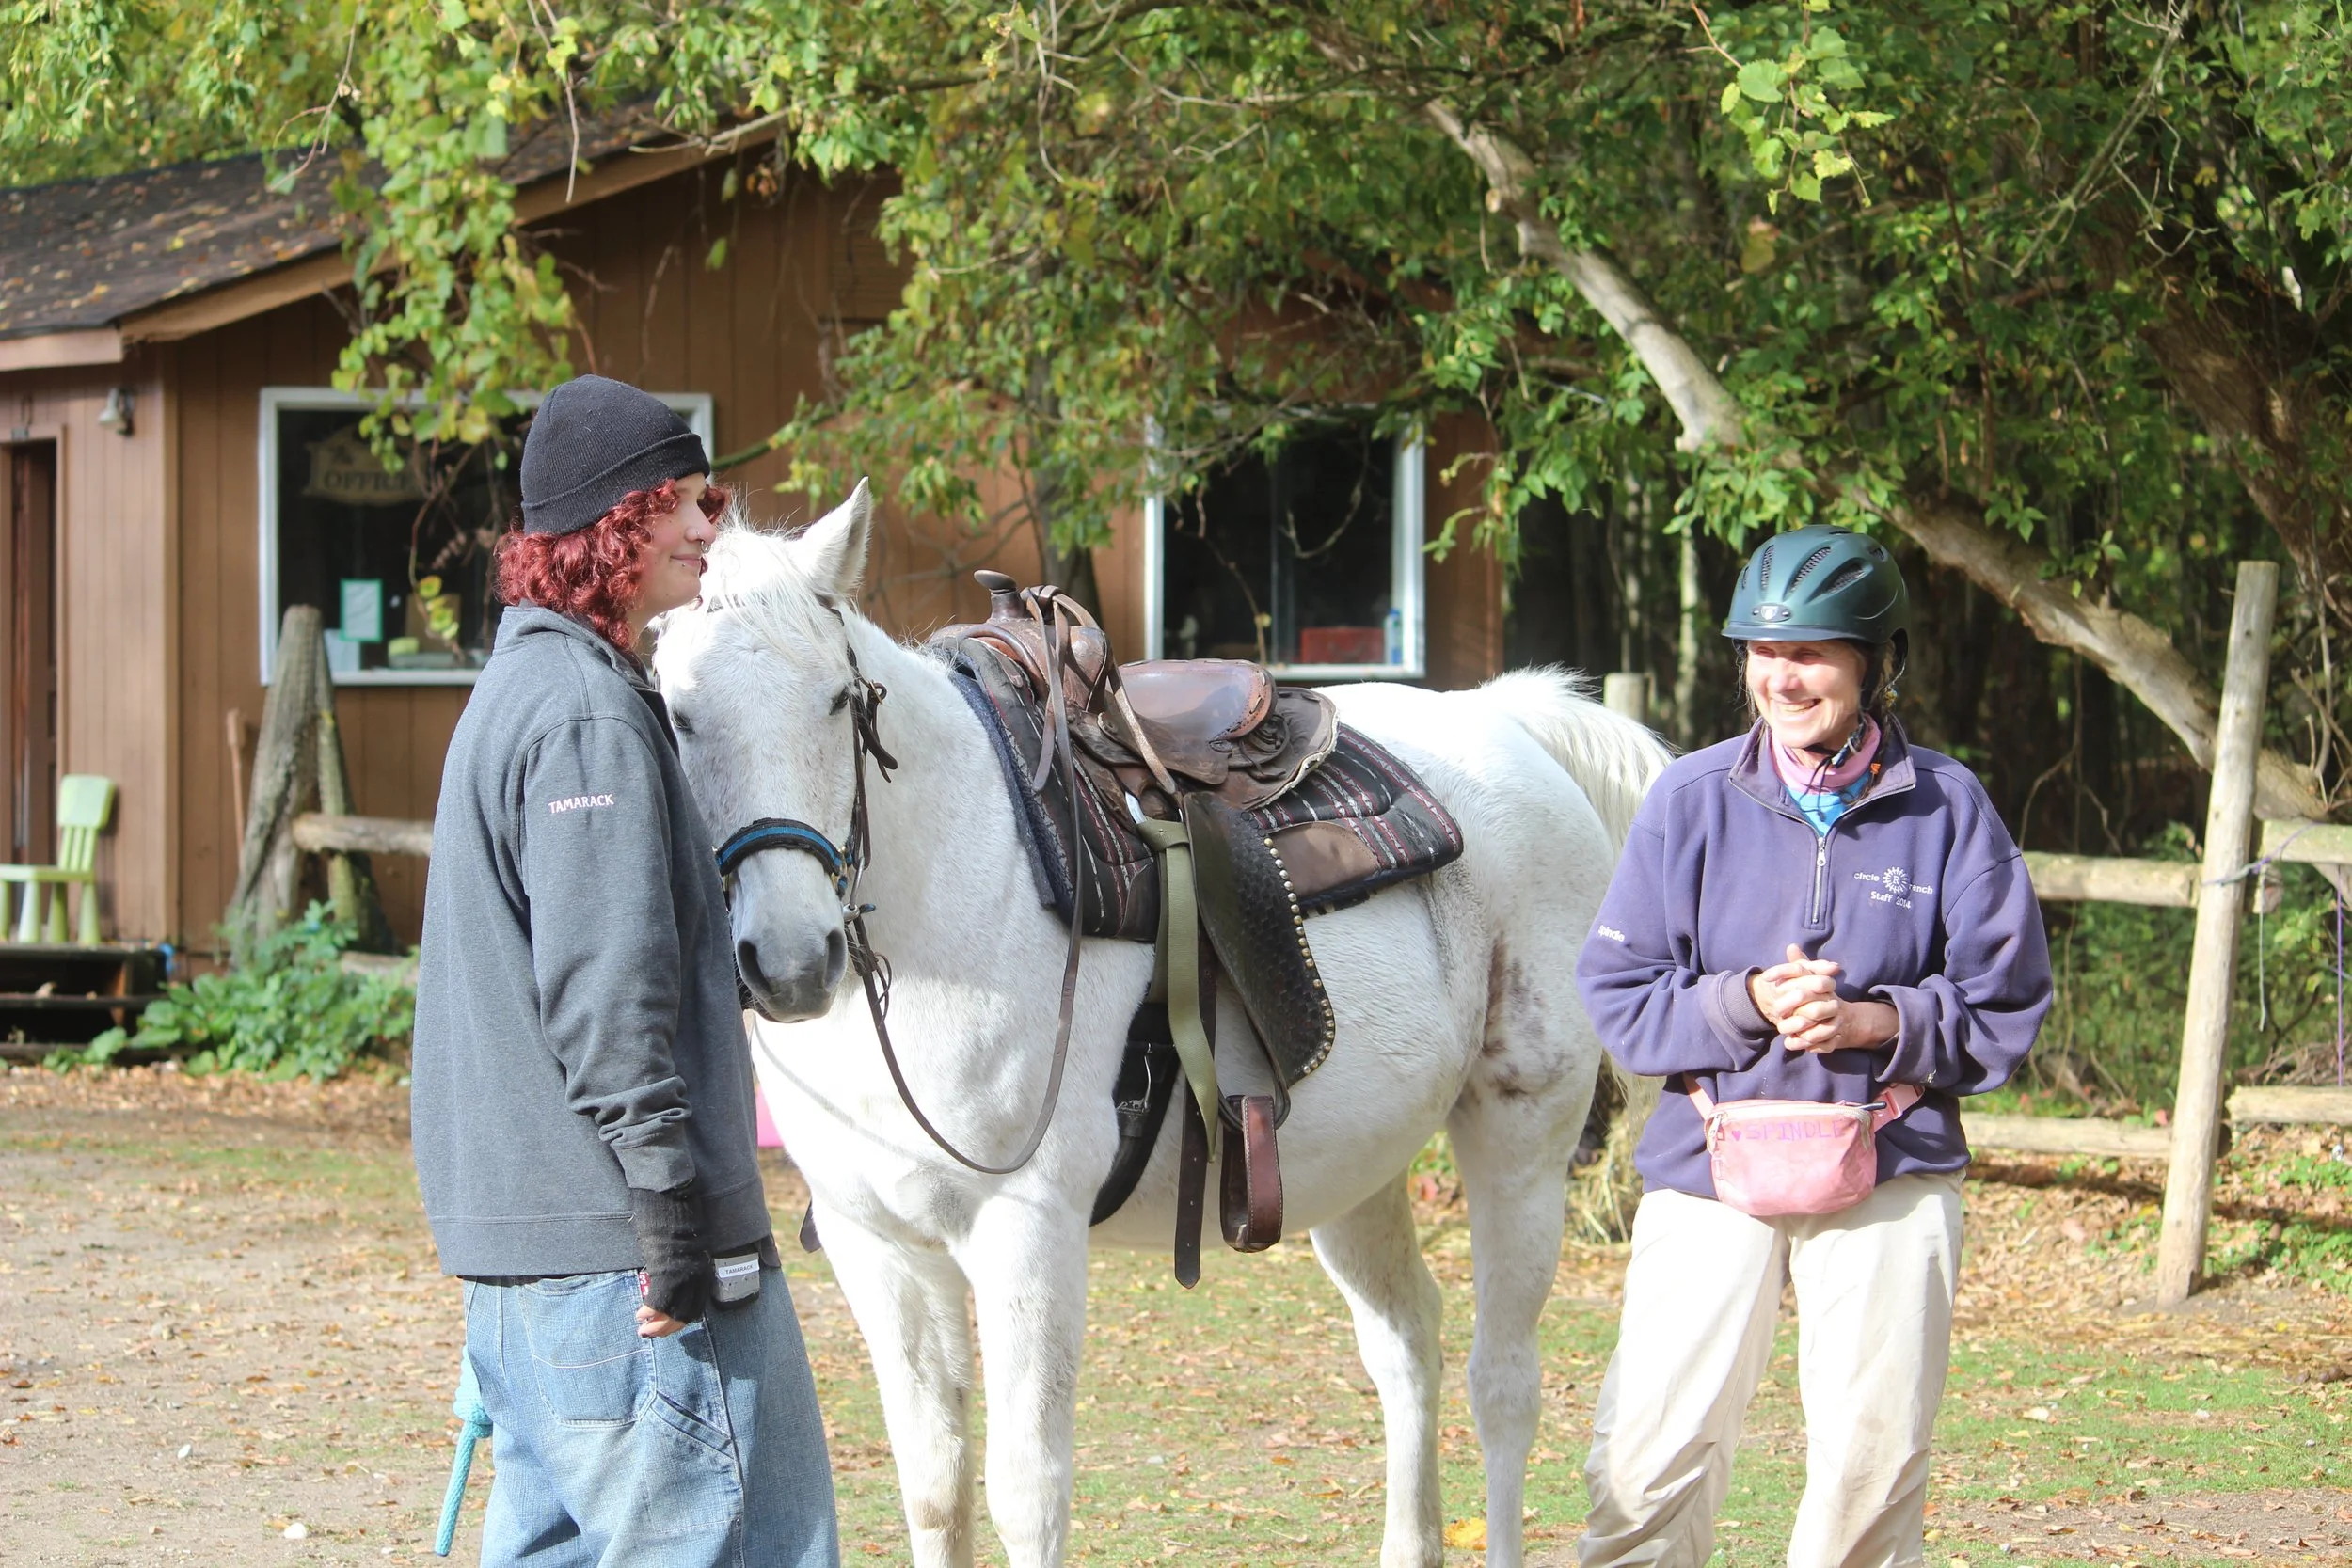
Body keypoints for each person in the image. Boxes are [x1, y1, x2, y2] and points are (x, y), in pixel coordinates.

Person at [411, 374, 840, 1566]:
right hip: (626, 1261)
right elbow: (606, 1000)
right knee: (748, 1544)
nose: (712, 524)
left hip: (528, 1272)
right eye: (685, 501)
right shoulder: (583, 721)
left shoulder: (520, 689)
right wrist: (669, 1219)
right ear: (616, 524)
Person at [1574, 524, 2052, 1568]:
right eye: (1763, 652)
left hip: (1892, 1164)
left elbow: (2006, 1002)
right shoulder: (1688, 800)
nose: (1781, 677)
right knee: (1649, 1458)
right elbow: (1615, 989)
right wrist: (1743, 1001)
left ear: (1876, 664)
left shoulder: (1948, 806)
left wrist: (1880, 1023)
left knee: (1868, 1471)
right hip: (1705, 1165)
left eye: (1811, 653)